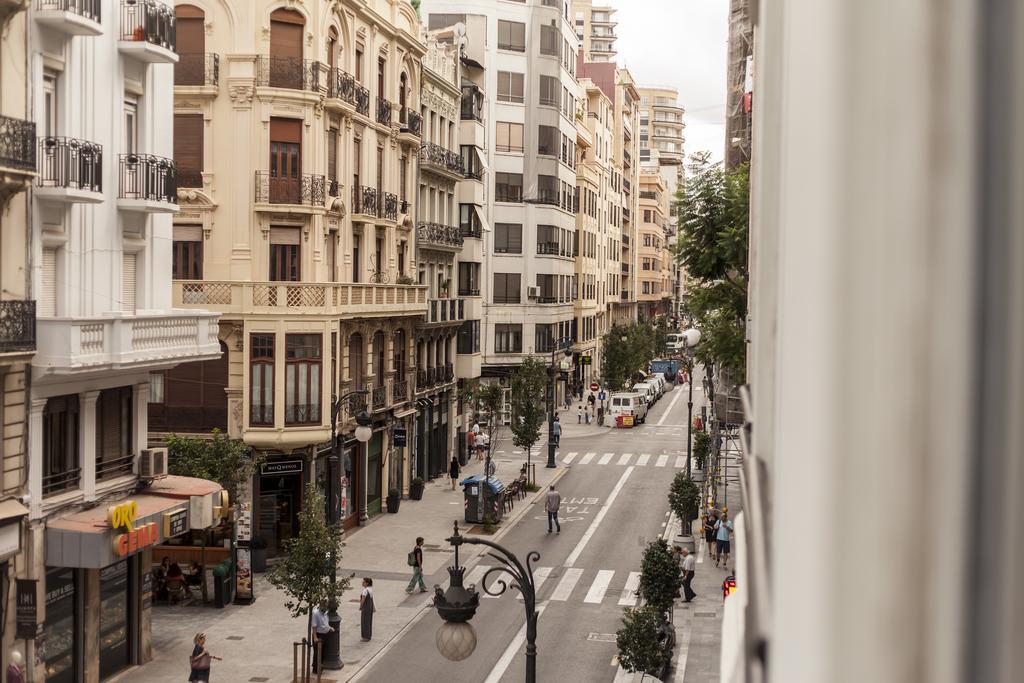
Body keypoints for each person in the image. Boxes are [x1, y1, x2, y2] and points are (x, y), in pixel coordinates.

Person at [310, 603, 333, 672]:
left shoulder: (325, 612)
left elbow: (325, 622)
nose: (325, 609)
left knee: (323, 653)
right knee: (317, 653)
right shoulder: (315, 613)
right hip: (318, 635)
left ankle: (320, 667)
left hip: (325, 634)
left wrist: (329, 628)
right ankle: (316, 669)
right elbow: (314, 626)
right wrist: (315, 637)